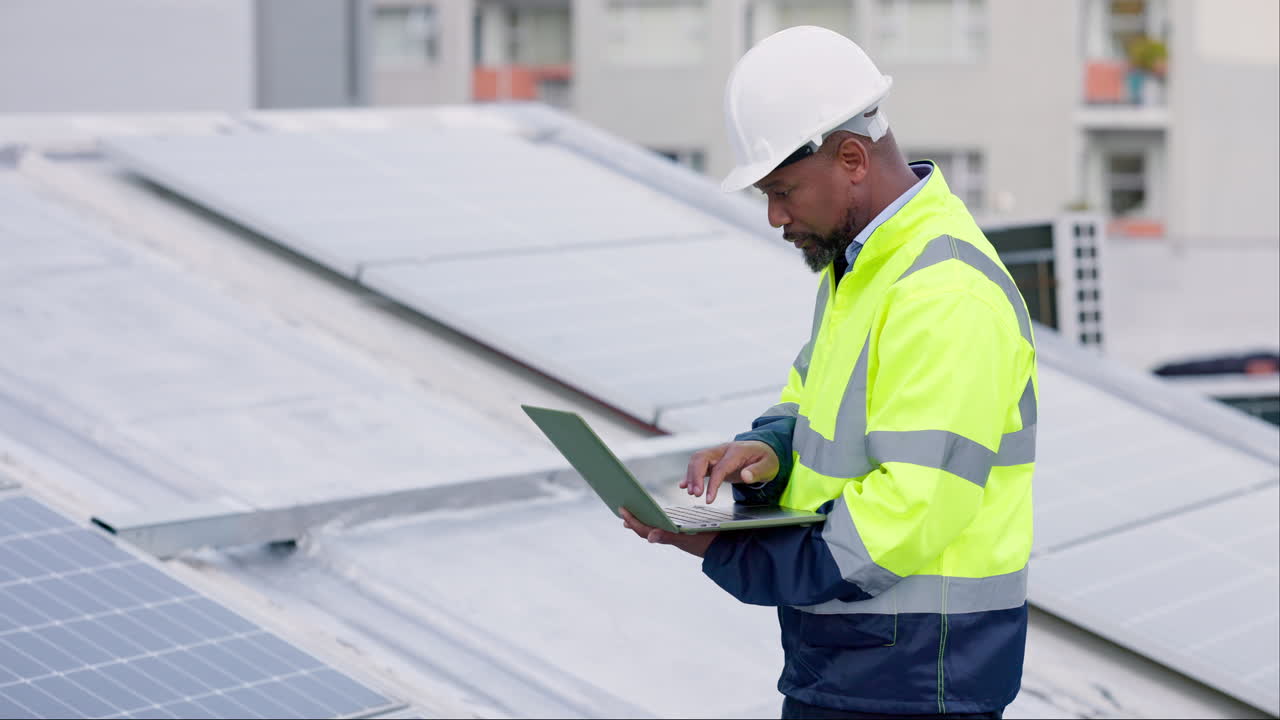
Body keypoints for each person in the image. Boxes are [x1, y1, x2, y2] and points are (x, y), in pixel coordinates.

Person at [620, 26, 1037, 720]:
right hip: (858, 665)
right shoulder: (865, 270)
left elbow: (907, 513)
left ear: (851, 158)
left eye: (783, 191)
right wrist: (768, 450)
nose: (777, 216)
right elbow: (810, 401)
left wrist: (718, 548)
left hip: (914, 682)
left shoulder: (944, 292)